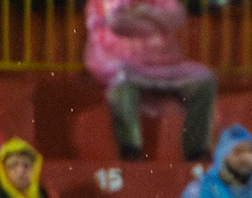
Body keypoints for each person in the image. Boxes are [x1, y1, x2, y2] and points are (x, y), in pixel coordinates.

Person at [83, 0, 216, 161]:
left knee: (204, 79)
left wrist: (144, 12)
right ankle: (131, 151)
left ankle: (196, 152)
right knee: (121, 84)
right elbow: (118, 24)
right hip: (119, 65)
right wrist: (156, 22)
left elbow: (176, 18)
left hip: (165, 64)